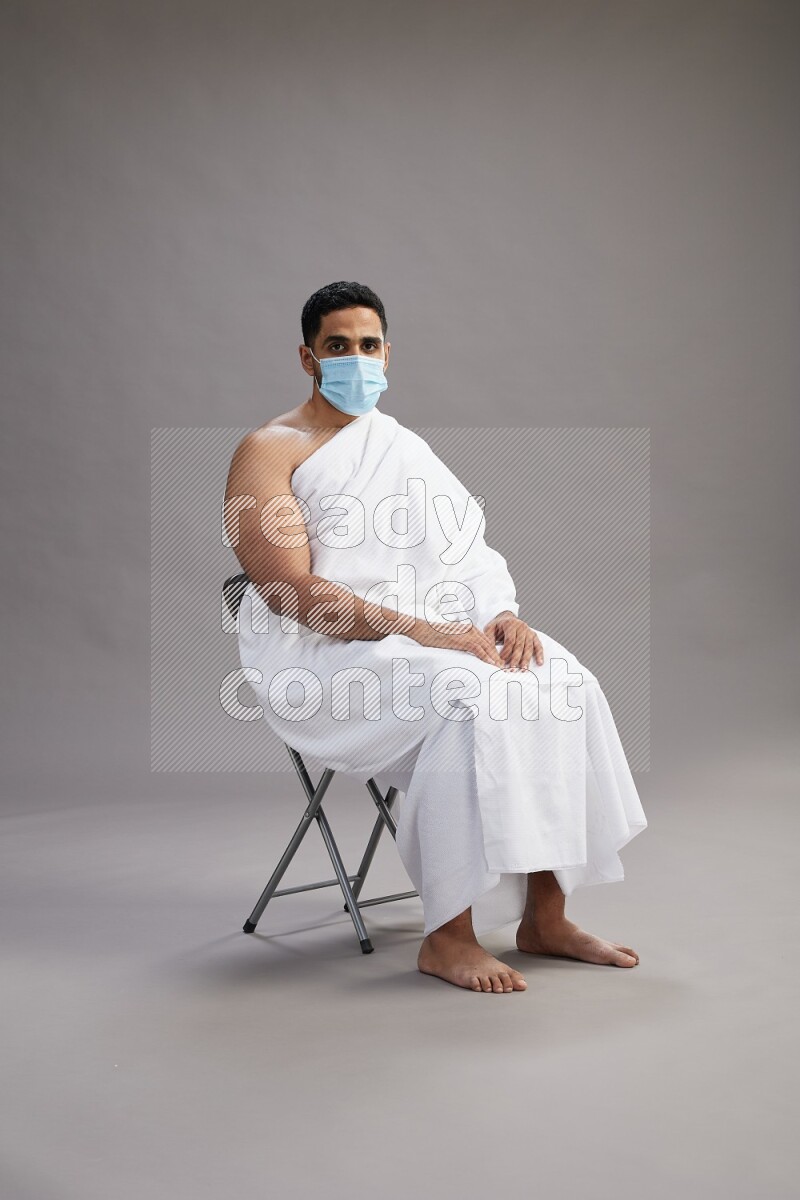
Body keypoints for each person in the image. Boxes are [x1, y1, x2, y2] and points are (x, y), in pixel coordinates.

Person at [224, 280, 648, 994]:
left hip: (429, 636)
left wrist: (503, 615)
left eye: (368, 345)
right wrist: (422, 630)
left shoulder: (402, 447)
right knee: (465, 697)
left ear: (387, 355)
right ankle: (447, 936)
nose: (356, 359)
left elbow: (467, 554)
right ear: (307, 357)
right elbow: (289, 592)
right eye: (337, 346)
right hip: (325, 655)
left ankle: (546, 919)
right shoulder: (269, 449)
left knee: (563, 681)